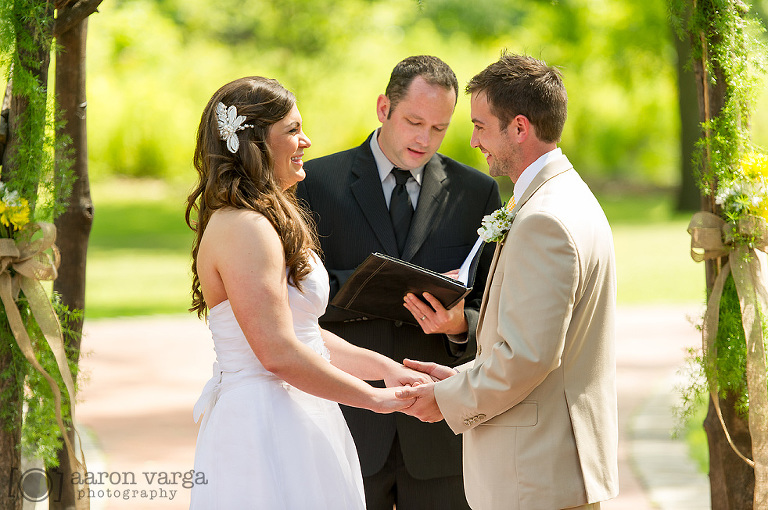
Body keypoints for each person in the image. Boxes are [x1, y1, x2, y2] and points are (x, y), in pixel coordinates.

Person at [185, 76, 430, 509]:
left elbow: (303, 334)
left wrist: (383, 367)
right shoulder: (245, 228)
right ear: (256, 143)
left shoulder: (268, 217)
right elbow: (277, 353)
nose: (307, 141)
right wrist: (374, 399)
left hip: (299, 413)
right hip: (264, 426)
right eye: (293, 131)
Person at [397, 52, 619, 510]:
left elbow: (527, 357)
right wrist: (461, 374)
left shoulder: (544, 220)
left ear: (519, 127)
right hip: (549, 470)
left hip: (535, 477)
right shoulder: (566, 196)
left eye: (480, 125)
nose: (474, 141)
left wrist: (445, 397)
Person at [296, 56, 501, 510]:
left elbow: (491, 301)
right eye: (414, 121)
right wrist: (381, 288)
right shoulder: (316, 184)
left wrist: (458, 325)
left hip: (438, 433)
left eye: (439, 128)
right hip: (348, 421)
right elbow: (296, 297)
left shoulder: (477, 193)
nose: (424, 139)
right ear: (383, 107)